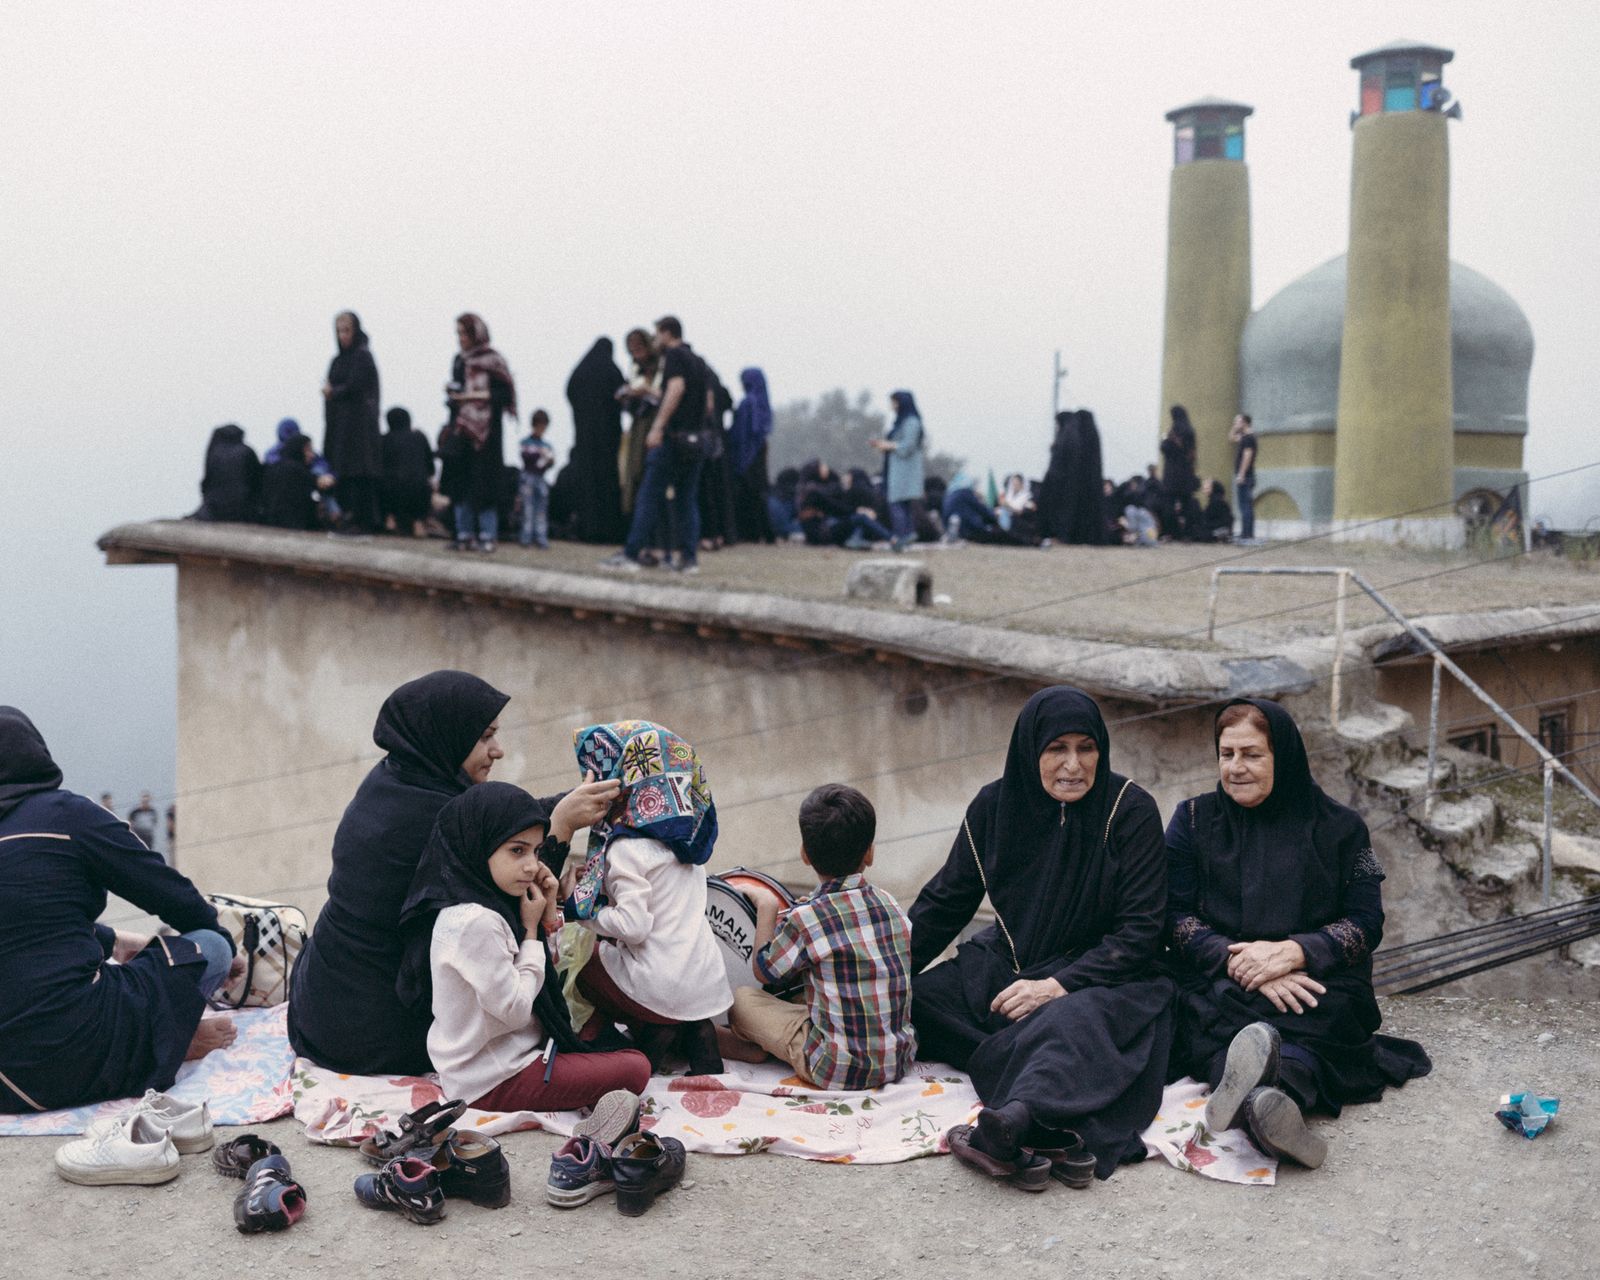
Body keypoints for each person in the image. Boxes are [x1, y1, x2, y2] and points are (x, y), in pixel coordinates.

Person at [287, 671, 617, 1074]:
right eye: (484, 738)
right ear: (446, 736)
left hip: (319, 1000)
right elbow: (512, 902)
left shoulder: (399, 778)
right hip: (368, 1029)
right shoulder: (417, 819)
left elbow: (495, 821)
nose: (497, 751)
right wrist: (560, 829)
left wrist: (569, 803)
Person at [909, 687, 1175, 1184]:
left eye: (1086, 748)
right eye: (1057, 749)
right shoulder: (994, 807)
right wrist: (879, 973)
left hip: (1098, 978)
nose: (1073, 764)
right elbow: (945, 904)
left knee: (1073, 1024)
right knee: (914, 1001)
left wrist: (1056, 987)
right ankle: (1038, 1064)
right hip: (1008, 965)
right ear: (1031, 751)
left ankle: (1018, 1118)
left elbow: (1140, 933)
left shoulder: (1130, 810)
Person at [1164, 699, 1432, 1168]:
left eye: (1252, 754)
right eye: (1226, 754)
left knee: (1311, 1020)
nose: (1236, 767)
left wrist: (1295, 951)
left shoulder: (1343, 829)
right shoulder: (1190, 822)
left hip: (1313, 983)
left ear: (1282, 756)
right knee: (1212, 1015)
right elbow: (1172, 914)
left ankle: (1264, 1104)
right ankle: (1267, 1110)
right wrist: (1243, 964)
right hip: (1222, 976)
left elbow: (1366, 922)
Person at [0, 708, 241, 1112]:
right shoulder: (65, 815)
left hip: (6, 1087)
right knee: (209, 947)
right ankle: (171, 1041)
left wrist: (115, 941)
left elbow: (26, 922)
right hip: (76, 1057)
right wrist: (217, 941)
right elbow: (168, 893)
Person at [397, 782, 650, 1112]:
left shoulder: (489, 900)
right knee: (636, 1067)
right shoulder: (475, 922)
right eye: (517, 851)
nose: (532, 865)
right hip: (493, 1078)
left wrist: (545, 920)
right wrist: (531, 932)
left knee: (607, 1028)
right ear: (480, 845)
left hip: (518, 1050)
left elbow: (543, 976)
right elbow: (516, 1010)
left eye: (535, 850)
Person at [725, 784, 915, 1090]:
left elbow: (765, 969)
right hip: (897, 1061)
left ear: (804, 854)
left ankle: (741, 1047)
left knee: (741, 1001)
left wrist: (767, 906)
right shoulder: (891, 904)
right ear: (869, 852)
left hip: (834, 1069)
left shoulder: (807, 919)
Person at [568, 721, 732, 1074]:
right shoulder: (688, 845)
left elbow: (634, 925)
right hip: (706, 984)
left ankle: (648, 1036)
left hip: (661, 988)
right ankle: (703, 1053)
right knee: (677, 991)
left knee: (587, 962)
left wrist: (583, 914)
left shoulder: (627, 848)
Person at [603, 316, 708, 574]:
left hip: (672, 439)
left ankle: (631, 553)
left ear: (666, 333)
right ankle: (688, 558)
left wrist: (658, 426)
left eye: (656, 334)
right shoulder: (699, 362)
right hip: (694, 441)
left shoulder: (674, 356)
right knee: (686, 500)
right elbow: (707, 402)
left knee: (649, 495)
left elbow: (675, 389)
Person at [442, 313, 517, 553]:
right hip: (462, 429)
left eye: (465, 334)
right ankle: (463, 533)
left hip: (487, 433)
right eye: (458, 334)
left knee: (485, 485)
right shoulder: (459, 361)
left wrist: (473, 397)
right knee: (460, 484)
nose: (461, 339)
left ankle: (487, 535)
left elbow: (504, 396)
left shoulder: (493, 361)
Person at [321, 312, 383, 533]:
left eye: (346, 330)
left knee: (359, 474)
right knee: (343, 473)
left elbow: (356, 387)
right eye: (339, 331)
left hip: (359, 430)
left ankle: (360, 520)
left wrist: (334, 392)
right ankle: (346, 518)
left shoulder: (363, 357)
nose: (343, 336)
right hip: (340, 427)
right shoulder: (338, 360)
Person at [565, 338, 627, 544]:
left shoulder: (581, 372)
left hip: (584, 437)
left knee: (587, 482)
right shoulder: (612, 371)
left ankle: (587, 527)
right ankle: (607, 529)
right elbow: (623, 395)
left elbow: (570, 391)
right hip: (607, 438)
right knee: (606, 481)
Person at [871, 390, 925, 553]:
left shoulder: (912, 422)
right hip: (896, 468)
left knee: (896, 502)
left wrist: (888, 445)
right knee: (902, 503)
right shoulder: (901, 422)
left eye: (894, 402)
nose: (892, 406)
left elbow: (908, 446)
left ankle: (902, 536)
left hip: (904, 470)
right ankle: (906, 535)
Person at [615, 328, 661, 518]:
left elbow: (663, 395)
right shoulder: (634, 368)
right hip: (638, 425)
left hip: (654, 423)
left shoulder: (661, 365)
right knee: (634, 473)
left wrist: (646, 391)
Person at [729, 368, 775, 544]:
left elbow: (743, 432)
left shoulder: (749, 403)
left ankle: (752, 532)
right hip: (759, 450)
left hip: (748, 452)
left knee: (749, 492)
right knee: (759, 493)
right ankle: (764, 532)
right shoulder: (763, 403)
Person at [380, 407, 435, 538]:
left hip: (391, 489)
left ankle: (390, 519)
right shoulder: (419, 437)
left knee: (385, 483)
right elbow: (430, 465)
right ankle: (418, 523)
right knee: (420, 486)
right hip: (419, 488)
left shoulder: (384, 439)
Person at [193, 424, 261, 522]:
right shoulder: (247, 452)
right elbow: (257, 481)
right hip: (242, 508)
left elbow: (207, 481)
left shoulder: (215, 452)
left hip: (214, 508)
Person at [260, 431, 319, 531]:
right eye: (308, 450)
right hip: (294, 526)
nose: (312, 455)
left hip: (270, 523)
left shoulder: (274, 467)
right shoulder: (299, 471)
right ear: (298, 450)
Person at [1160, 405, 1201, 540]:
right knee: (1187, 505)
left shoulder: (1173, 432)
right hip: (1186, 475)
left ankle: (1173, 532)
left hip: (1172, 476)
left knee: (1168, 505)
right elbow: (1192, 454)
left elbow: (1164, 448)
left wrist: (1165, 438)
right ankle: (1189, 533)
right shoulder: (1190, 431)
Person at [517, 409, 556, 549]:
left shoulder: (547, 446)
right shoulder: (526, 442)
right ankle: (526, 538)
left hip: (541, 478)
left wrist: (548, 460)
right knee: (528, 509)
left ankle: (541, 538)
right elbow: (526, 458)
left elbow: (550, 463)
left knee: (541, 510)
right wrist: (540, 455)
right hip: (528, 477)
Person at [1231, 413, 1258, 543]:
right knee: (1246, 505)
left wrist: (1241, 474)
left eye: (1237, 422)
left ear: (1245, 423)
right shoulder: (1245, 437)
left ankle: (1247, 535)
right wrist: (1235, 428)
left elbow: (1247, 456)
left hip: (1245, 476)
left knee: (1245, 506)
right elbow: (1231, 438)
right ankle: (1247, 533)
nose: (1235, 424)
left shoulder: (1248, 438)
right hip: (1247, 476)